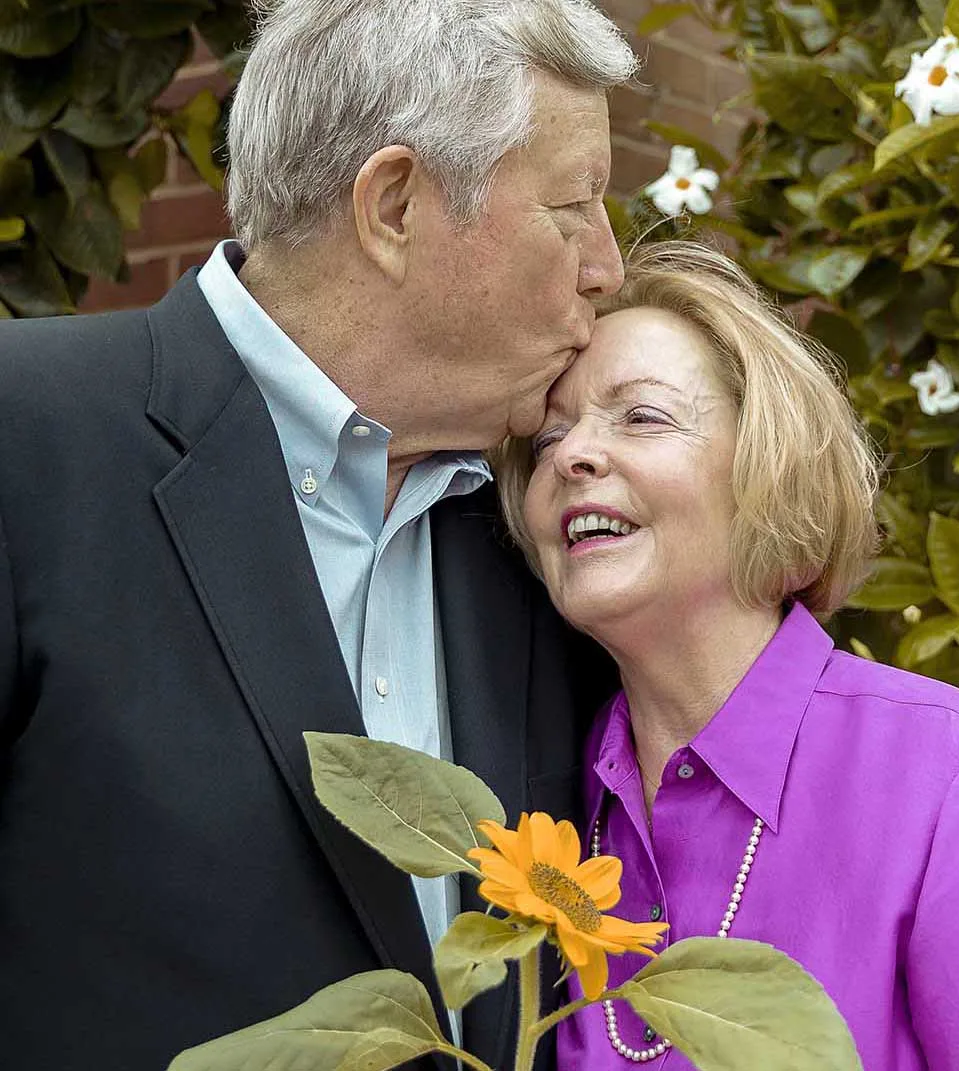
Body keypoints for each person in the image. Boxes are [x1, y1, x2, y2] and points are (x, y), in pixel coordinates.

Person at [0, 2, 635, 1068]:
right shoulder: (28, 439)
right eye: (574, 208)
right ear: (393, 205)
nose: (607, 267)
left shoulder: (548, 518)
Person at [494, 241, 959, 1070]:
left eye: (642, 415)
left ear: (768, 461)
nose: (571, 454)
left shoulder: (955, 772)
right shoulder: (549, 792)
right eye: (548, 436)